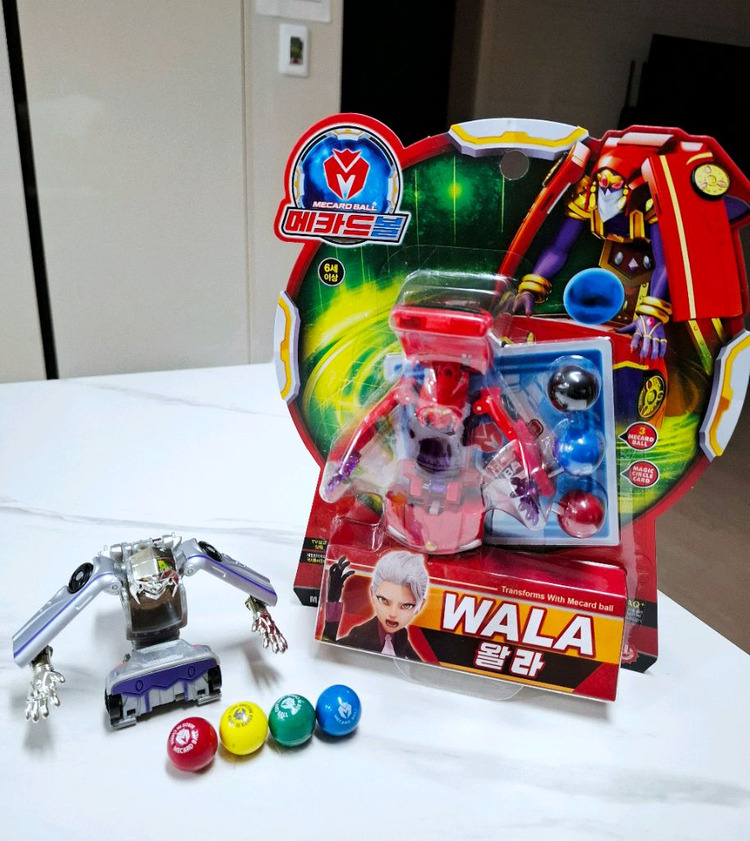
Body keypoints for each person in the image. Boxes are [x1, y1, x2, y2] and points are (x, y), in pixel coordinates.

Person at [322, 550, 429, 661]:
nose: (393, 614)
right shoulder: (361, 633)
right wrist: (333, 601)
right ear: (372, 594)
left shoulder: (402, 634)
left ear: (420, 606)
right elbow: (329, 649)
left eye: (406, 606)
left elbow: (418, 663)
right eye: (384, 600)